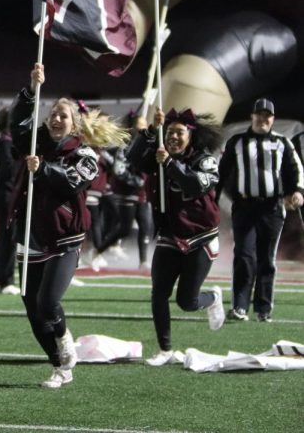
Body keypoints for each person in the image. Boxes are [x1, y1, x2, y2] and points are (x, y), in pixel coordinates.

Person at [9, 63, 128, 388]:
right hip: (31, 235)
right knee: (32, 309)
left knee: (48, 303)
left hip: (65, 240)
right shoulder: (36, 142)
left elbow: (72, 182)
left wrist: (42, 170)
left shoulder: (86, 153)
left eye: (63, 115)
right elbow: (17, 123)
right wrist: (32, 90)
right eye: (53, 113)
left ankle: (64, 343)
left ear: (75, 123)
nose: (56, 118)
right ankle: (60, 366)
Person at [127, 107, 226, 367]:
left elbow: (193, 184)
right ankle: (165, 348)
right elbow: (133, 157)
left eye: (179, 132)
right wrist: (149, 131)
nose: (173, 137)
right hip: (170, 234)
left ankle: (213, 298)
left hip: (200, 237)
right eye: (169, 132)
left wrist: (169, 164)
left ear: (191, 136)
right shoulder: (158, 156)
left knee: (187, 301)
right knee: (159, 292)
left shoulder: (204, 160)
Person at [217, 98, 304, 323]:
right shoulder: (237, 142)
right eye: (260, 115)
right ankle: (240, 306)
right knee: (244, 255)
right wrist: (215, 201)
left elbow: (296, 168)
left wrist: (297, 191)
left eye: (268, 115)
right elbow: (222, 172)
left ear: (272, 119)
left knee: (267, 259)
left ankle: (263, 308)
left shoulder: (282, 142)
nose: (263, 119)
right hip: (245, 206)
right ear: (252, 116)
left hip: (272, 207)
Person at [109, 112, 155, 270]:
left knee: (145, 226)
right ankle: (102, 249)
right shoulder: (124, 146)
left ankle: (143, 261)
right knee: (124, 228)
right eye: (139, 126)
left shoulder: (150, 145)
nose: (143, 129)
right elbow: (119, 169)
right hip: (127, 193)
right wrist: (137, 181)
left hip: (143, 194)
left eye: (144, 125)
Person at [0, 107, 19, 295]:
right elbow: (9, 170)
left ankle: (0, 279)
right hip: (7, 194)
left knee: (5, 237)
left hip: (6, 193)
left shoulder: (8, 142)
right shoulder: (6, 143)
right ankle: (5, 280)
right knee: (9, 237)